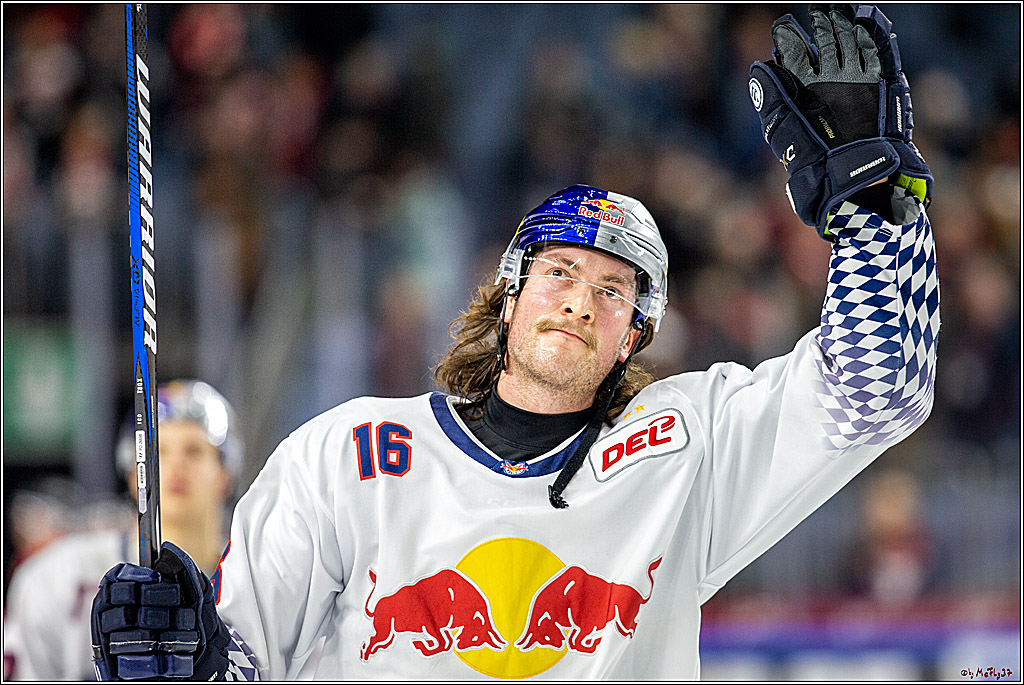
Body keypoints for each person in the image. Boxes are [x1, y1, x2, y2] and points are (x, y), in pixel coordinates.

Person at [89, 5, 940, 680]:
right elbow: (241, 663)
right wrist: (180, 655)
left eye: (614, 291)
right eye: (560, 272)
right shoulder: (345, 456)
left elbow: (879, 390)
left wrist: (874, 210)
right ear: (507, 298)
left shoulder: (686, 447)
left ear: (632, 338)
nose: (580, 301)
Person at [3, 380, 242, 681]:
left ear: (226, 473)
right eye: (159, 452)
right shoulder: (56, 578)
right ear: (132, 472)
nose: (176, 465)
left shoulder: (254, 581)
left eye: (194, 451)